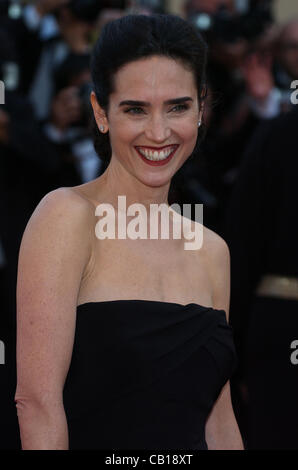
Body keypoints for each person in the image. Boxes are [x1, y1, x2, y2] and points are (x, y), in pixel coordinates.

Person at [15, 14, 243, 450]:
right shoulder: (66, 217)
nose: (158, 133)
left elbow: (219, 419)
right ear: (101, 112)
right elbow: (37, 404)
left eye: (178, 106)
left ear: (201, 108)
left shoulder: (212, 250)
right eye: (135, 109)